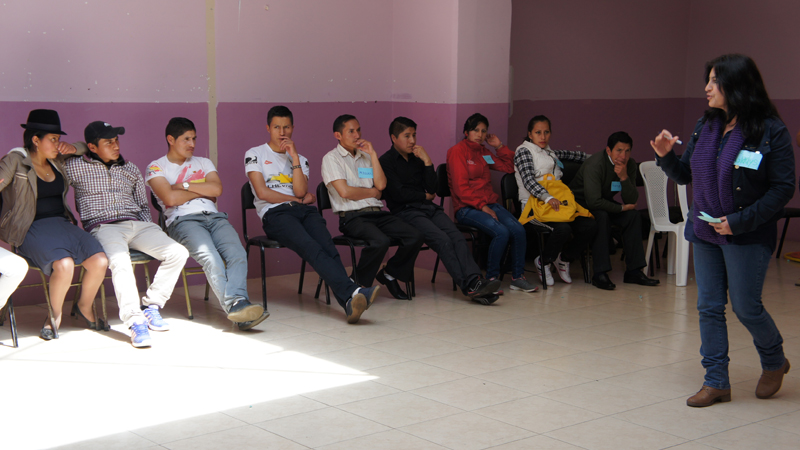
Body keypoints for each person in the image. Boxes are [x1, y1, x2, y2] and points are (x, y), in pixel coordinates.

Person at [651, 54, 794, 407]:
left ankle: (774, 360)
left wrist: (738, 222)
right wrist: (666, 156)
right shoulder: (706, 125)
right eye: (708, 80)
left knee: (746, 307)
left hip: (746, 232)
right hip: (705, 231)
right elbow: (686, 174)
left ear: (737, 85)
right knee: (709, 307)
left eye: (715, 81)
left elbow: (783, 188)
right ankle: (716, 381)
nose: (707, 87)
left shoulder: (770, 129)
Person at [247, 106, 379, 323]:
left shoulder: (301, 159)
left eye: (286, 127)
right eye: (277, 127)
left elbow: (300, 192)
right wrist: (297, 200)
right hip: (275, 214)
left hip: (303, 212)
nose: (282, 132)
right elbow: (263, 193)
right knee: (311, 246)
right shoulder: (255, 154)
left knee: (328, 246)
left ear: (293, 128)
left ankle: (349, 301)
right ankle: (353, 292)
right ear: (268, 128)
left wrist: (294, 158)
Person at [64, 121, 189, 348]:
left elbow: (142, 204)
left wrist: (147, 229)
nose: (116, 146)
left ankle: (151, 306)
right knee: (120, 262)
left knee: (178, 252)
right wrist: (76, 148)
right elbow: (49, 167)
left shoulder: (130, 168)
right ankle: (135, 322)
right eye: (108, 142)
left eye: (116, 141)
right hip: (103, 226)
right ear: (92, 147)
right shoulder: (75, 166)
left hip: (137, 225)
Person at [147, 117, 267, 331]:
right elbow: (170, 199)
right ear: (171, 139)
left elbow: (216, 190)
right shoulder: (156, 167)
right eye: (186, 139)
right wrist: (201, 190)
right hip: (183, 221)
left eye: (194, 138)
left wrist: (182, 186)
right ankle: (238, 308)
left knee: (238, 254)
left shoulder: (203, 162)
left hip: (215, 218)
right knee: (212, 259)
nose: (192, 144)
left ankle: (238, 304)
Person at [0, 110, 108, 340]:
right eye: (53, 139)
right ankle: (54, 315)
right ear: (35, 140)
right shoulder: (15, 160)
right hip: (30, 228)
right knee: (64, 264)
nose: (57, 144)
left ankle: (84, 306)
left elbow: (85, 147)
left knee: (100, 260)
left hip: (61, 224)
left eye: (58, 139)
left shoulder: (57, 160)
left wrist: (71, 147)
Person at [379, 117, 500, 305]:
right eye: (407, 136)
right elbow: (399, 194)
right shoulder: (385, 161)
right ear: (394, 138)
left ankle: (476, 281)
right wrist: (423, 195)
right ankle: (470, 287)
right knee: (442, 240)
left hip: (428, 208)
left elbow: (432, 188)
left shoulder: (418, 158)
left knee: (457, 237)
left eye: (414, 135)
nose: (412, 140)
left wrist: (427, 161)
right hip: (406, 211)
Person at [321, 114, 423, 300]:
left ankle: (389, 274)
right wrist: (371, 192)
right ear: (338, 135)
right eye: (351, 131)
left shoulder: (366, 156)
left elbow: (381, 186)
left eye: (358, 130)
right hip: (352, 217)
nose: (357, 135)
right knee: (380, 241)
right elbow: (345, 192)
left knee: (415, 235)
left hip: (376, 213)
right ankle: (356, 285)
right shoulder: (331, 158)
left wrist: (373, 154)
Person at [446, 113, 538, 293]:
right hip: (467, 208)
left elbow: (510, 167)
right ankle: (491, 279)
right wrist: (483, 207)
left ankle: (518, 278)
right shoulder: (457, 151)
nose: (480, 135)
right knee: (501, 232)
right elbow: (460, 189)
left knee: (518, 229)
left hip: (489, 203)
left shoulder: (483, 152)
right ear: (466, 132)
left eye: (483, 131)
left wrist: (499, 146)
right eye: (475, 130)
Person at [569, 131, 659, 290]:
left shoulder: (630, 165)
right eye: (619, 150)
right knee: (602, 217)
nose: (623, 156)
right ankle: (600, 273)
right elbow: (593, 201)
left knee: (633, 216)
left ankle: (634, 271)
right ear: (608, 150)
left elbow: (631, 200)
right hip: (581, 205)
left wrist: (624, 178)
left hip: (603, 202)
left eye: (627, 151)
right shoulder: (595, 164)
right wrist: (620, 208)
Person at [514, 115, 597, 286]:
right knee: (563, 229)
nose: (543, 136)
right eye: (538, 132)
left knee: (589, 225)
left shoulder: (550, 152)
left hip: (559, 204)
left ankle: (564, 259)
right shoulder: (523, 151)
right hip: (535, 206)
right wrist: (547, 197)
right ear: (530, 134)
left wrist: (601, 157)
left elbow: (574, 155)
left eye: (546, 132)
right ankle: (543, 261)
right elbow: (528, 180)